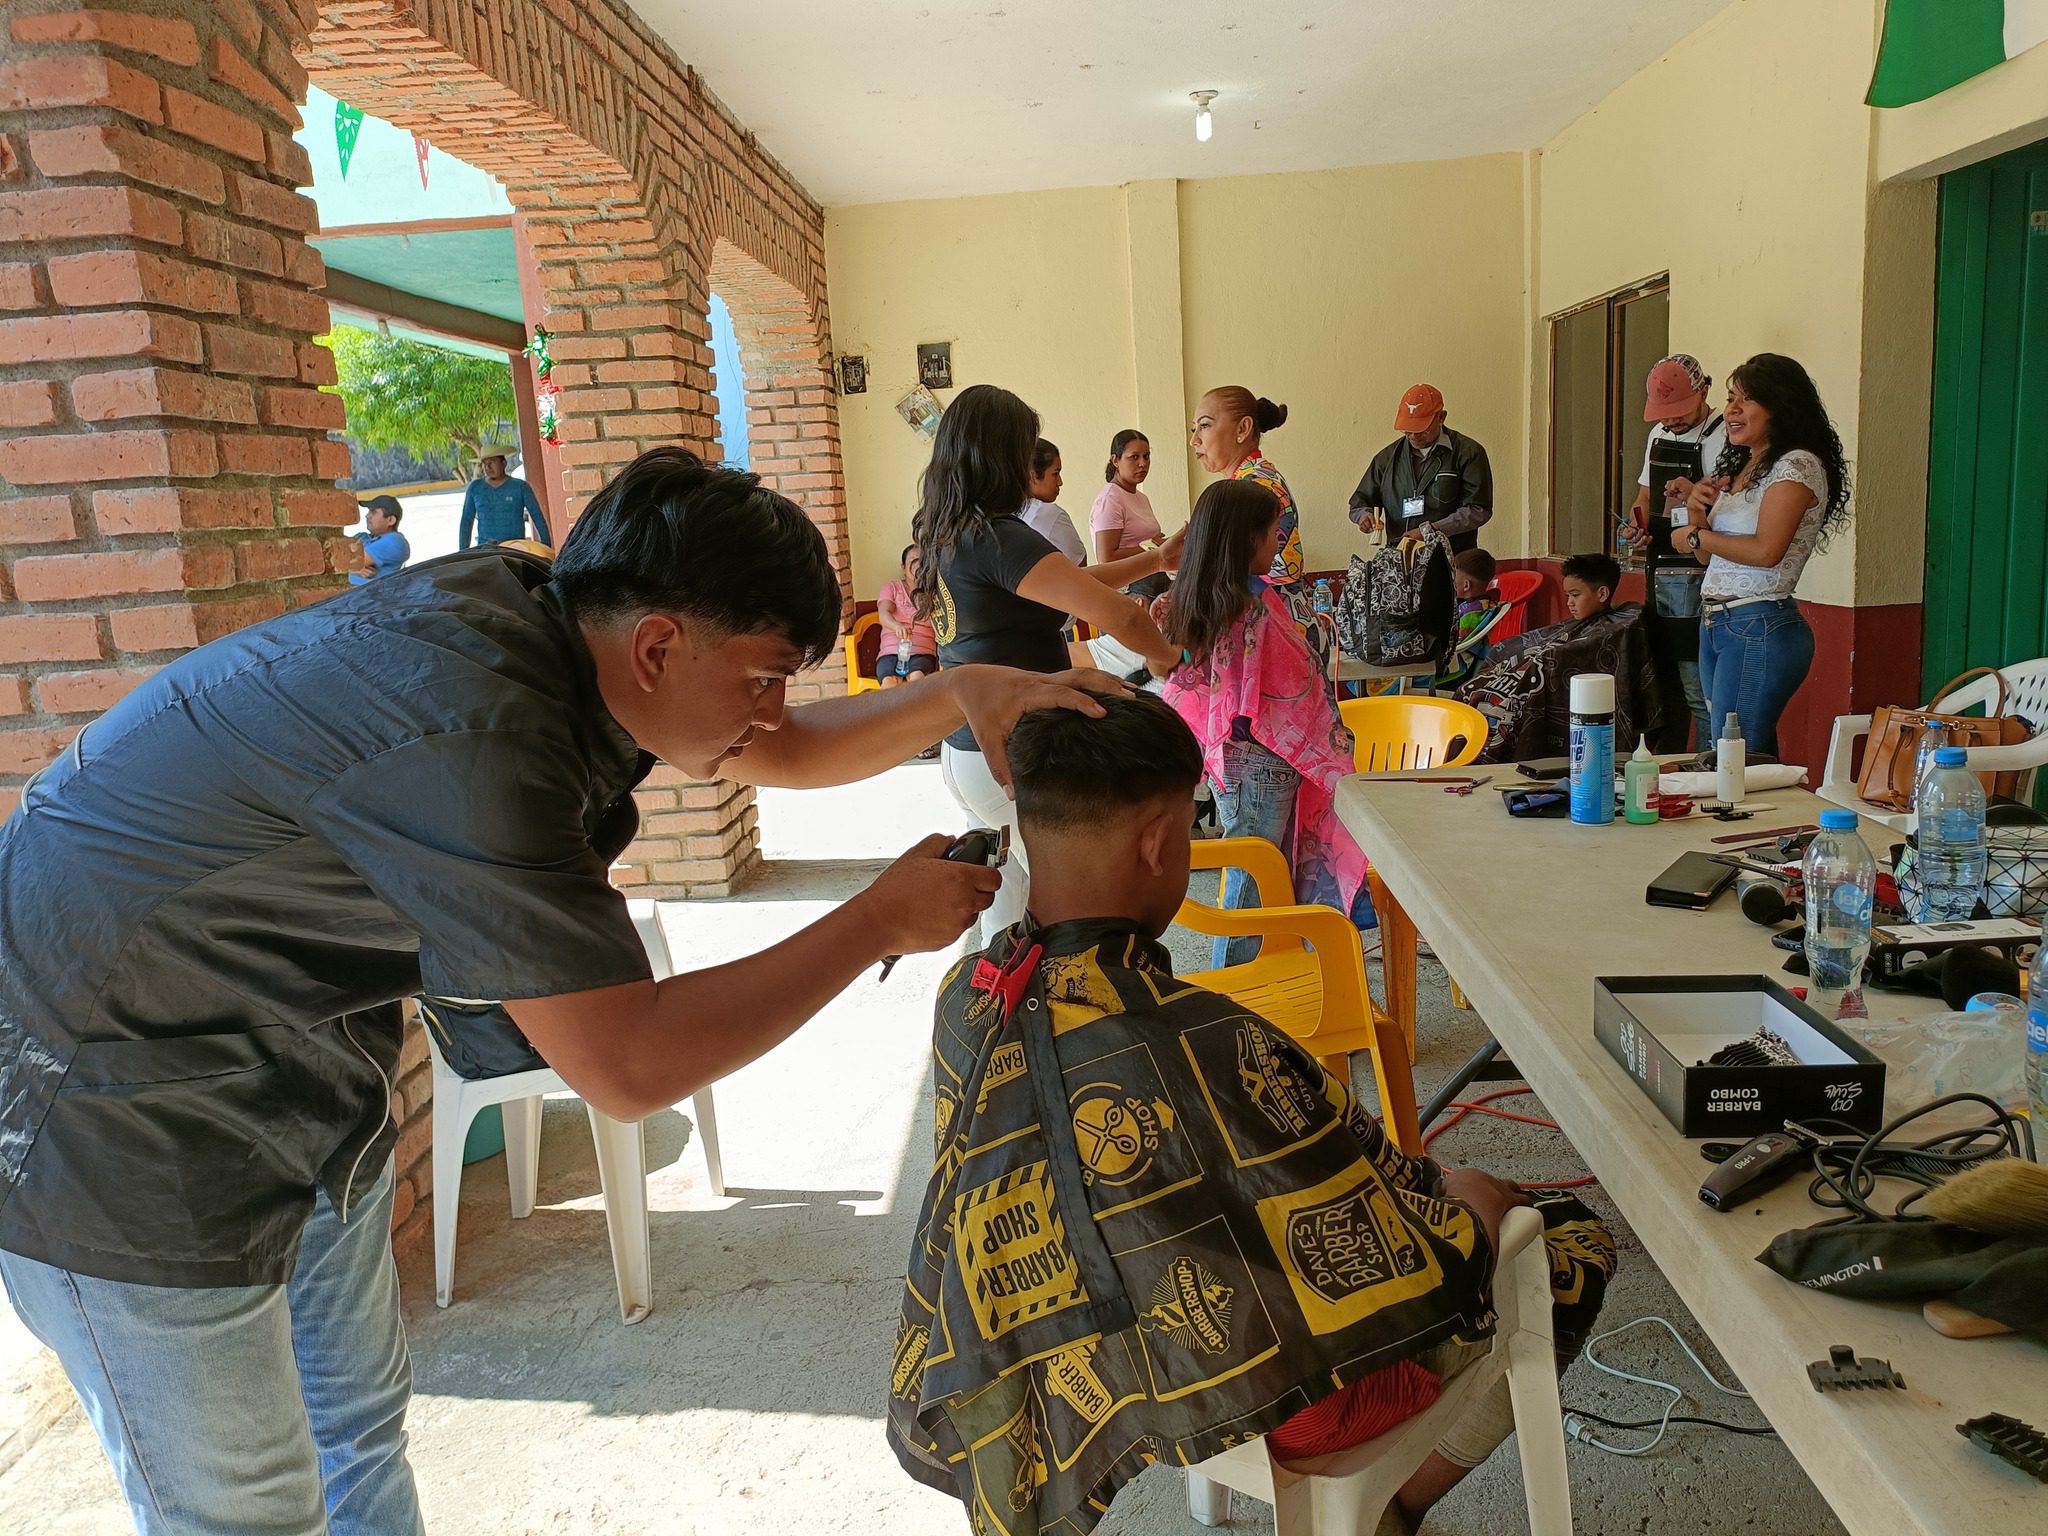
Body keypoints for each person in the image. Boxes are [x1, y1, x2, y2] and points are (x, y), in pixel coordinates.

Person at [0, 445, 1119, 1536]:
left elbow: (771, 752)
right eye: (765, 677)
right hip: (104, 1105)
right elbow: (625, 1065)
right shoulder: (483, 733)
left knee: (355, 1431)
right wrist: (872, 919)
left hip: (283, 1049)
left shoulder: (565, 618)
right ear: (659, 644)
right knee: (240, 1509)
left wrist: (966, 688)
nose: (773, 709)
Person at [886, 694, 1615, 1536]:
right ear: (1161, 841)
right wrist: (1479, 1209)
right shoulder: (1208, 1039)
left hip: (1079, 1373)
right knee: (1562, 1238)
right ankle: (1399, 1503)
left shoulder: (966, 999)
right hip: (1281, 1396)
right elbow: (1382, 1220)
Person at [914, 386, 1180, 943]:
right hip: (1012, 751)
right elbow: (1123, 620)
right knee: (1070, 912)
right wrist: (1174, 659)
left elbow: (1070, 584)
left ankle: (993, 1013)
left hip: (968, 752)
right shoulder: (998, 537)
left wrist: (1155, 559)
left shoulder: (950, 530)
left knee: (1003, 906)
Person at [1160, 480, 1375, 965]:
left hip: (1235, 761)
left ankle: (1258, 974)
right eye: (1272, 533)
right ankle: (1234, 986)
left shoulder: (1207, 598)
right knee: (1253, 878)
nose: (1277, 542)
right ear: (1245, 539)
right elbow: (1283, 690)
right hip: (1263, 761)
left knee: (1257, 871)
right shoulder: (1247, 608)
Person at [1666, 353, 1852, 757]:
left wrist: (1696, 536)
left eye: (1744, 401)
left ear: (1778, 406)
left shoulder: (1796, 465)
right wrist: (1697, 508)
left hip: (1758, 622)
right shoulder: (1750, 464)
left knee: (1734, 753)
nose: (1730, 410)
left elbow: (1767, 552)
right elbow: (1709, 562)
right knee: (1740, 752)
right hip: (1720, 623)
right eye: (1731, 398)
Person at [1621, 355, 1724, 749]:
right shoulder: (1657, 436)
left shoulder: (1723, 437)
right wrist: (1637, 526)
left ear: (1704, 391)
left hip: (1699, 572)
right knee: (1665, 687)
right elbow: (1645, 495)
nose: (1673, 421)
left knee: (1699, 690)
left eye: (1679, 411)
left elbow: (1728, 511)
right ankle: (1669, 770)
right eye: (1665, 414)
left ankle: (1709, 769)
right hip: (1659, 568)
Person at [1348, 384, 1494, 555]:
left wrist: (1430, 531)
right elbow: (1359, 503)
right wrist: (1363, 516)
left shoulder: (1469, 452)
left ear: (1441, 417)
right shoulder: (1386, 459)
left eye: (1421, 429)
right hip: (1401, 558)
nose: (1413, 436)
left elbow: (1479, 510)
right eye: (1407, 430)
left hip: (1451, 558)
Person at [1189, 384, 1303, 589]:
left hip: (1270, 616)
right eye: (1193, 428)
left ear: (1242, 429)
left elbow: (1284, 568)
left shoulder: (1258, 484)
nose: (1194, 440)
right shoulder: (1249, 479)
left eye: (1204, 426)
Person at [1089, 429, 1171, 601]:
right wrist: (1153, 546)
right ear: (1115, 460)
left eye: (1146, 456)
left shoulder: (1141, 497)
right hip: (1131, 591)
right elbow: (1106, 557)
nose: (1143, 463)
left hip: (1153, 583)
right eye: (1134, 457)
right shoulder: (1110, 499)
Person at [458, 447, 551, 550]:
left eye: (492, 462)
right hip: (485, 549)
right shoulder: (475, 488)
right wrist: (463, 550)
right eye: (484, 463)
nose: (487, 467)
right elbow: (466, 521)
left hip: (515, 549)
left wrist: (546, 547)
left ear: (503, 463)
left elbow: (537, 517)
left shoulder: (520, 486)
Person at [875, 543, 938, 689]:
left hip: (923, 652)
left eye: (922, 562)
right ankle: (890, 712)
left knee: (917, 678)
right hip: (890, 652)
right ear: (903, 567)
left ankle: (914, 712)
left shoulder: (933, 592)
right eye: (912, 562)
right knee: (889, 682)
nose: (918, 566)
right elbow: (883, 613)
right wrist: (896, 626)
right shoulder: (892, 588)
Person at [1020, 438, 1087, 567]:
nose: (1060, 482)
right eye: (1055, 474)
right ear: (1033, 476)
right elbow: (1080, 567)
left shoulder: (1006, 512)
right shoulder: (1049, 515)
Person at [1440, 546, 1499, 686]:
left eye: (1454, 579)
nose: (1451, 583)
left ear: (1466, 585)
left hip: (1455, 670)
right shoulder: (1483, 605)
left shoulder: (1472, 615)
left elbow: (1455, 645)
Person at [349, 493, 411, 585]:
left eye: (373, 512)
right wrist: (352, 569)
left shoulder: (394, 541)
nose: (367, 516)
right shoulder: (362, 536)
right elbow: (330, 557)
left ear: (390, 520)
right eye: (369, 511)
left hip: (365, 597)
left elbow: (340, 562)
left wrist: (349, 568)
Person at [1560, 551, 1620, 621]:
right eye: (1567, 596)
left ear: (1602, 594)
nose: (1569, 603)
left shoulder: (1607, 630)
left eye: (1575, 595)